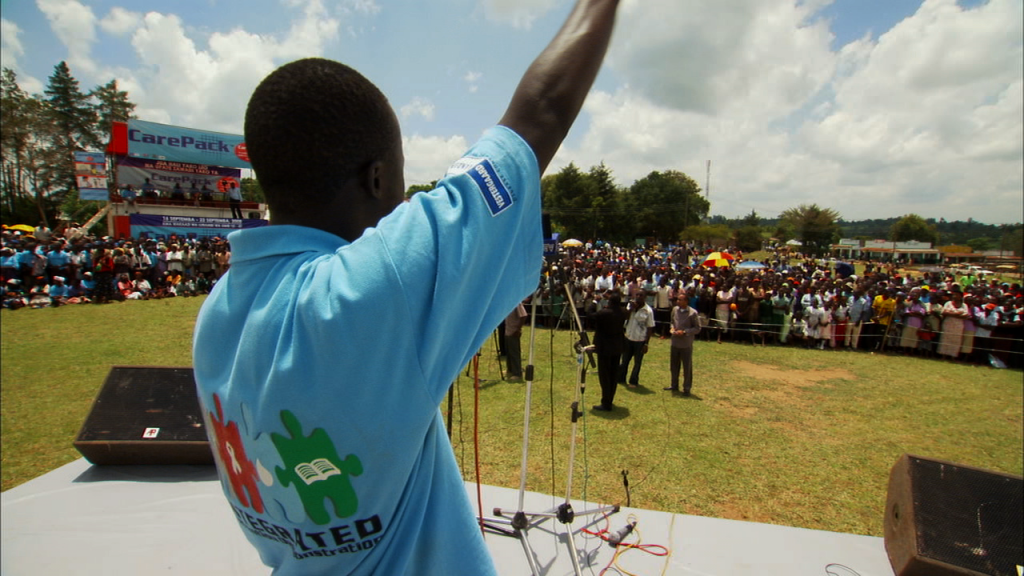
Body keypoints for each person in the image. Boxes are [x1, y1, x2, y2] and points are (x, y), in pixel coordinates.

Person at [191, 2, 621, 574]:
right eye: (398, 177)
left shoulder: (217, 313)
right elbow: (540, 112)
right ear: (376, 178)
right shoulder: (366, 292)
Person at [590, 291, 627, 411]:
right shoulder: (623, 312)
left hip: (604, 348)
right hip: (617, 347)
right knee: (613, 375)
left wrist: (595, 302)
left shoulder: (604, 313)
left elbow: (590, 315)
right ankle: (610, 399)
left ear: (610, 302)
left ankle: (606, 402)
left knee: (604, 376)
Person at [665, 290, 701, 396]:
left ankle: (687, 388)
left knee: (687, 367)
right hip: (675, 342)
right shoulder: (675, 310)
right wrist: (672, 328)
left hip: (686, 344)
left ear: (686, 301)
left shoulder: (693, 313)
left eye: (680, 300)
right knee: (674, 366)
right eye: (677, 299)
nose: (678, 301)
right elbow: (672, 322)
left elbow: (697, 328)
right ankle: (674, 385)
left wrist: (685, 332)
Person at [618, 291, 655, 387]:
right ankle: (621, 378)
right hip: (628, 338)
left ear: (645, 297)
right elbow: (625, 317)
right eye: (637, 295)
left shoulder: (648, 311)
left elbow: (650, 327)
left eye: (641, 295)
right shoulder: (630, 306)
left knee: (637, 362)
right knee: (624, 360)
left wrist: (646, 343)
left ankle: (633, 381)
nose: (638, 297)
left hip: (640, 340)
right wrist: (631, 309)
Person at [504, 299, 528, 382]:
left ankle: (517, 373)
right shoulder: (508, 303)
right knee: (508, 352)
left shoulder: (517, 303)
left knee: (514, 353)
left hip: (514, 331)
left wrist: (518, 329)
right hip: (507, 330)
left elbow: (523, 315)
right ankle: (510, 369)